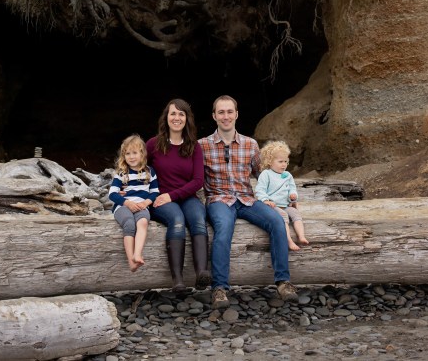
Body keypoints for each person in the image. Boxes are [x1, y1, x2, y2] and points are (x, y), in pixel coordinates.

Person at [200, 94, 299, 307]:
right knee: (223, 228)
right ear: (214, 116)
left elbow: (264, 177)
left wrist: (283, 199)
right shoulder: (202, 146)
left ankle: (283, 281)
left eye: (229, 112)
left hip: (247, 199)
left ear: (236, 114)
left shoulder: (250, 144)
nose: (226, 116)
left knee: (275, 221)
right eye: (221, 112)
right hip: (219, 200)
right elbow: (195, 179)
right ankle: (219, 288)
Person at [146, 97, 210, 292]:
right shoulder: (153, 144)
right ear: (166, 117)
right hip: (160, 199)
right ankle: (178, 280)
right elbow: (140, 171)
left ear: (186, 119)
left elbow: (198, 181)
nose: (177, 117)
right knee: (177, 219)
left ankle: (201, 273)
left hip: (186, 198)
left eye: (181, 114)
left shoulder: (193, 146)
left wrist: (173, 196)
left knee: (198, 218)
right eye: (173, 113)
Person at [108, 134, 159, 271]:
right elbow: (112, 194)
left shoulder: (149, 172)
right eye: (127, 154)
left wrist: (146, 203)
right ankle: (131, 260)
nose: (131, 157)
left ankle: (137, 253)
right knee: (129, 223)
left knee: (142, 222)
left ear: (142, 153)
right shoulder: (122, 173)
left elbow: (155, 192)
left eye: (134, 153)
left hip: (142, 205)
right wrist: (126, 203)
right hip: (123, 206)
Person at [255, 140, 310, 251]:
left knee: (295, 213)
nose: (284, 164)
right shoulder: (266, 174)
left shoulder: (287, 175)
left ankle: (301, 236)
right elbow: (260, 190)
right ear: (270, 161)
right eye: (280, 161)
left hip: (285, 204)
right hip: (272, 206)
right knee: (283, 216)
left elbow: (291, 188)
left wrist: (293, 196)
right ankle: (289, 241)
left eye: (286, 161)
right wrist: (265, 200)